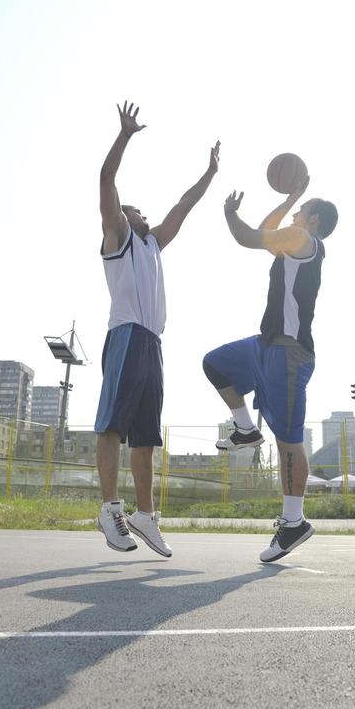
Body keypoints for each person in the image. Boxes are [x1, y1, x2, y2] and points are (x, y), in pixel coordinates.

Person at [95, 100, 219, 557]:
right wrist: (125, 135)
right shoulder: (117, 237)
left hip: (152, 344)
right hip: (126, 336)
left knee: (146, 436)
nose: (141, 212)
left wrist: (209, 174)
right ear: (121, 217)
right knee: (111, 425)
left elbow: (182, 208)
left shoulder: (151, 244)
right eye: (134, 209)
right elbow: (107, 181)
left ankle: (144, 514)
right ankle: (110, 509)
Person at [203, 180, 338, 563]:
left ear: (312, 220)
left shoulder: (300, 239)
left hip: (288, 354)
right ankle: (245, 428)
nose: (294, 215)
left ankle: (294, 521)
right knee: (215, 362)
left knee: (288, 441)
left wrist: (230, 214)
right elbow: (266, 231)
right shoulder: (293, 242)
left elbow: (251, 236)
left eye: (299, 211)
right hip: (264, 345)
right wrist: (291, 197)